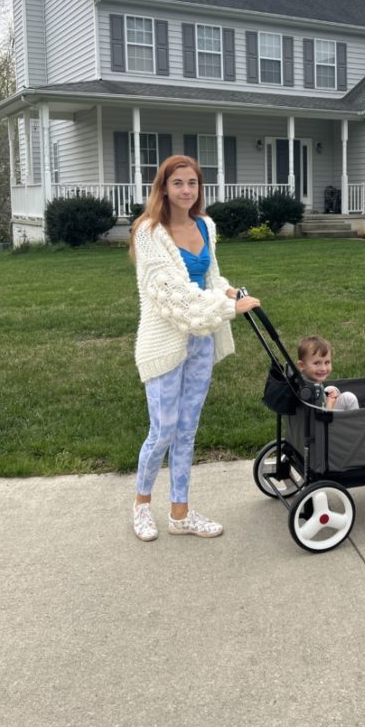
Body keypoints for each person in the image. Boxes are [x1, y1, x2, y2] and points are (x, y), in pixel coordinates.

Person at [129, 155, 260, 542]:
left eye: (193, 183)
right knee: (163, 429)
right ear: (163, 188)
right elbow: (175, 296)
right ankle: (140, 505)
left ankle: (180, 513)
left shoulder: (205, 224)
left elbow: (209, 276)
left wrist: (228, 291)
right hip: (166, 342)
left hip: (201, 340)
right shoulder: (148, 233)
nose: (186, 190)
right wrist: (228, 307)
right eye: (178, 183)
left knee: (187, 429)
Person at [297, 335, 360, 411]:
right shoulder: (309, 390)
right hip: (324, 420)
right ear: (302, 365)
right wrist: (330, 403)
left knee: (330, 389)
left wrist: (332, 395)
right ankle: (355, 422)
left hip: (321, 413)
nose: (323, 368)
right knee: (349, 398)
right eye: (316, 363)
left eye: (327, 362)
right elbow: (320, 418)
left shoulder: (303, 381)